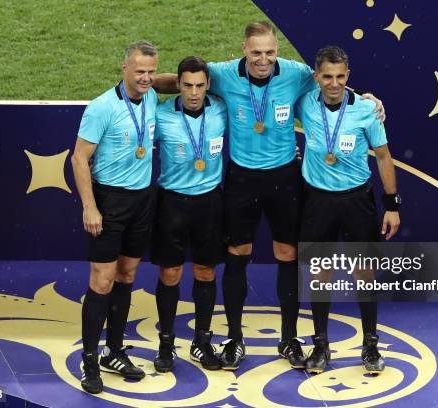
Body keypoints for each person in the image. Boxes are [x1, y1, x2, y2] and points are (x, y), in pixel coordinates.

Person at [155, 21, 386, 371]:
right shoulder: (222, 73)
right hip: (241, 179)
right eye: (256, 52)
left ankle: (289, 338)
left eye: (270, 52)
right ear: (244, 50)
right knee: (238, 253)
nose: (263, 59)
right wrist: (141, 84)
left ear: (277, 51)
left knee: (287, 253)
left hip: (284, 178)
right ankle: (234, 338)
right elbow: (185, 78)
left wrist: (368, 98)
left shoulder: (295, 74)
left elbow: (333, 81)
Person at [296, 46, 400, 374]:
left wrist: (392, 205)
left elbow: (383, 156)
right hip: (317, 202)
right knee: (320, 274)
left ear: (348, 77)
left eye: (340, 76)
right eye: (327, 76)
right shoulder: (304, 103)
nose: (334, 83)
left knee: (364, 273)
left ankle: (370, 346)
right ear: (316, 77)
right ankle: (321, 346)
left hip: (358, 201)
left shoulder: (366, 110)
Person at [71, 40, 159, 394]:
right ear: (123, 68)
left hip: (142, 200)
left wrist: (165, 78)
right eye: (139, 71)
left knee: (127, 275)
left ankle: (115, 350)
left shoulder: (151, 96)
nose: (146, 78)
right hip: (108, 201)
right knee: (102, 281)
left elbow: (168, 81)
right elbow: (79, 159)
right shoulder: (102, 107)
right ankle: (89, 359)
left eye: (152, 72)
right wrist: (90, 207)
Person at [151, 56, 227, 373]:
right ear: (177, 85)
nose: (194, 93)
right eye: (186, 85)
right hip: (172, 203)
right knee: (170, 275)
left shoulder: (221, 109)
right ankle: (166, 345)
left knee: (206, 273)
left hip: (210, 203)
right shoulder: (160, 115)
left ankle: (202, 342)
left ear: (208, 85)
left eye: (199, 85)